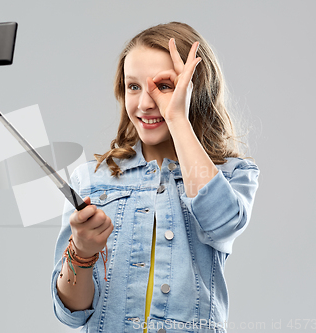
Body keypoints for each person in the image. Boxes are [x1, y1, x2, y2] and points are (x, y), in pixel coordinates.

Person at [51, 21, 260, 333]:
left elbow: (223, 224)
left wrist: (177, 116)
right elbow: (72, 313)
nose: (145, 103)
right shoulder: (92, 180)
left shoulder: (234, 174)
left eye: (164, 87)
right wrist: (81, 252)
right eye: (134, 86)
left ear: (194, 91)